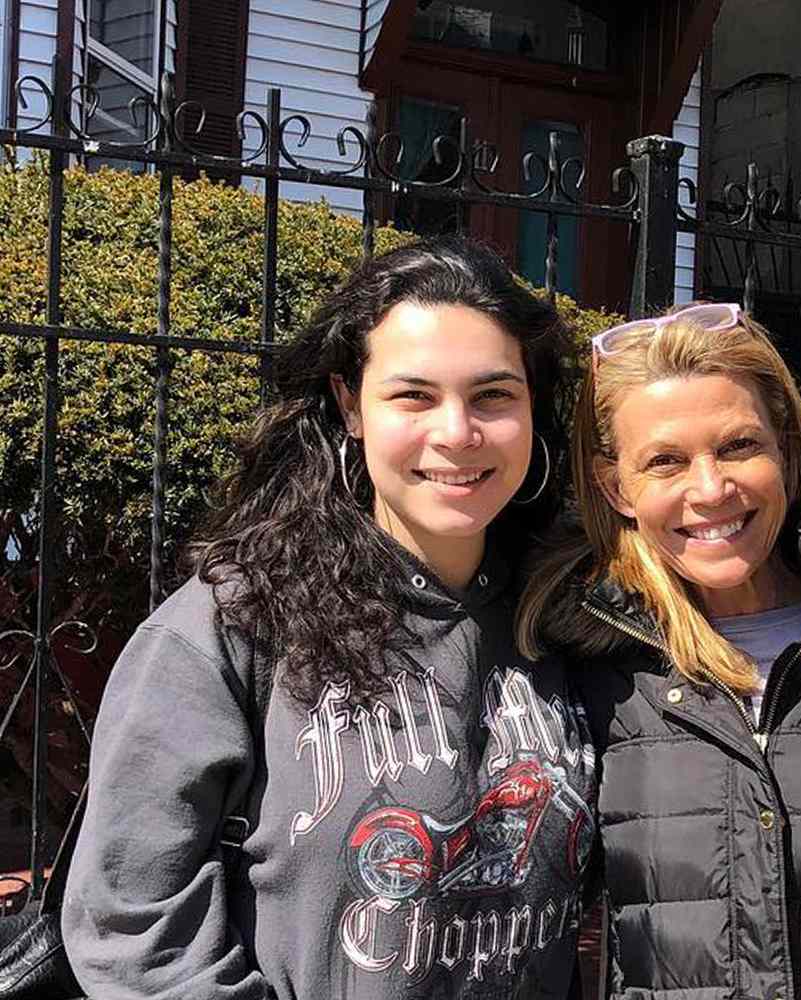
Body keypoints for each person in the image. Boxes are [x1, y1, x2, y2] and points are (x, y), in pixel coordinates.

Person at [62, 237, 595, 1000]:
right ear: (351, 406)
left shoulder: (567, 612)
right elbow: (133, 924)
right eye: (414, 396)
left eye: (493, 396)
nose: (457, 432)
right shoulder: (236, 622)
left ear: (532, 407)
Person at [517, 302, 801, 1000]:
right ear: (615, 487)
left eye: (739, 446)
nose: (711, 489)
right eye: (665, 462)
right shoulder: (581, 658)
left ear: (786, 448)